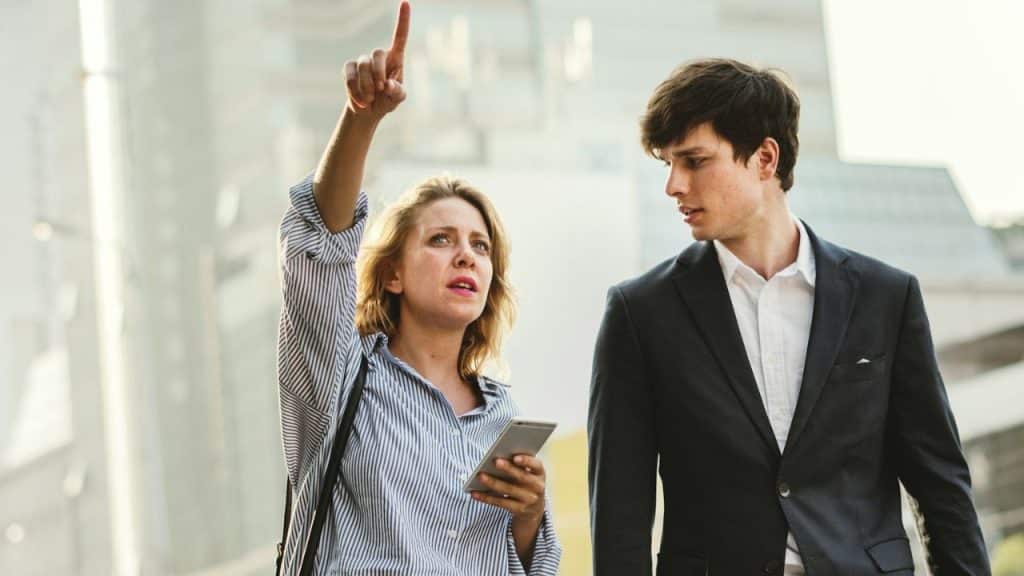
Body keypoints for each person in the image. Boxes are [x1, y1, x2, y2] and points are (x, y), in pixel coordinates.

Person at [587, 58, 990, 575]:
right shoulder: (638, 315)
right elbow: (620, 511)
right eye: (667, 164)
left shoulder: (885, 297)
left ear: (764, 158)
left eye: (694, 161)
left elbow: (941, 485)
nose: (673, 185)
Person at [276, 3, 561, 574]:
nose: (466, 255)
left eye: (481, 247)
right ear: (392, 274)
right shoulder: (342, 374)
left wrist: (529, 520)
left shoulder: (502, 416)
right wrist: (361, 118)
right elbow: (318, 245)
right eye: (440, 240)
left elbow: (530, 567)